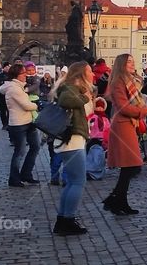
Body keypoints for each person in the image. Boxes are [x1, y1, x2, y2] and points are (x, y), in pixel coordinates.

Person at [103, 54, 147, 215]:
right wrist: (144, 110)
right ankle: (114, 200)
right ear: (121, 64)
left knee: (130, 167)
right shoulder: (118, 81)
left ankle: (119, 202)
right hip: (123, 125)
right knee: (132, 166)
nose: (132, 64)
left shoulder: (130, 81)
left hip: (129, 125)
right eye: (128, 61)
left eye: (133, 61)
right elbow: (124, 107)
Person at [52, 61, 95, 236]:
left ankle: (63, 220)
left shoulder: (69, 86)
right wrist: (85, 96)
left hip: (71, 141)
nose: (92, 74)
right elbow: (66, 101)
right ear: (81, 74)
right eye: (90, 71)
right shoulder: (71, 87)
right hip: (72, 140)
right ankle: (68, 220)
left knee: (71, 182)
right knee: (78, 182)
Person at [0, 64, 40, 187]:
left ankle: (26, 174)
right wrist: (36, 105)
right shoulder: (14, 88)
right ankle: (14, 178)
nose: (26, 75)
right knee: (20, 151)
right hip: (18, 124)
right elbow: (27, 105)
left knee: (35, 147)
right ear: (17, 75)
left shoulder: (20, 87)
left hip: (28, 122)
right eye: (23, 73)